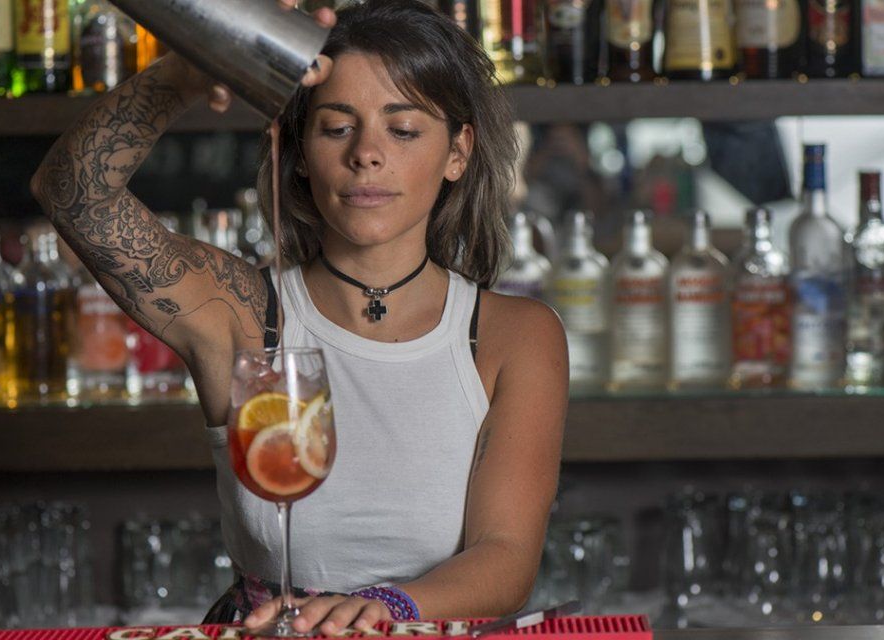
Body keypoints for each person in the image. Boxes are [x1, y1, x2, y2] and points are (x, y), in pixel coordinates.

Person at [30, 0, 568, 634]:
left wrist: (386, 610)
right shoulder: (241, 312)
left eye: (403, 129)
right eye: (337, 127)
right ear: (300, 152)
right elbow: (74, 196)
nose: (367, 153)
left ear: (457, 152)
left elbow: (506, 557)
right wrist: (192, 72)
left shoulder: (514, 334)